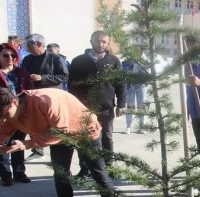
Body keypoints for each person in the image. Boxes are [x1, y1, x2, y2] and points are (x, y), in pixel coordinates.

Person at [0, 87, 126, 197]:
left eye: (4, 115)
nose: (4, 120)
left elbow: (61, 131)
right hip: (55, 137)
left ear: (14, 102)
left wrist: (27, 144)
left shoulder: (45, 100)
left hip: (84, 131)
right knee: (61, 176)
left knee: (98, 173)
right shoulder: (8, 114)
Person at [68, 30, 126, 178]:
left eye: (104, 42)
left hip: (105, 107)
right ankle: (85, 169)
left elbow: (120, 84)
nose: (100, 44)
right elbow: (72, 86)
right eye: (97, 41)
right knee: (84, 138)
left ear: (108, 43)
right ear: (91, 41)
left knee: (106, 137)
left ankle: (108, 167)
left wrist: (121, 103)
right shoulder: (78, 61)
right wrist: (72, 106)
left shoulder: (113, 61)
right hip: (83, 108)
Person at [0, 43, 34, 186]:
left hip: (19, 114)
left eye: (13, 55)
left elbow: (30, 92)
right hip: (1, 115)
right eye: (5, 55)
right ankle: (5, 175)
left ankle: (19, 172)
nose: (10, 58)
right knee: (2, 143)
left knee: (18, 143)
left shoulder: (22, 73)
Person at [21, 33, 69, 161]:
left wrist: (42, 78)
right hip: (33, 97)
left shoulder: (55, 58)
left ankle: (59, 153)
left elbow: (64, 76)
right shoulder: (27, 59)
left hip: (51, 99)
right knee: (34, 124)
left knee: (54, 126)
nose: (27, 48)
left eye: (29, 45)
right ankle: (37, 149)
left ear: (39, 44)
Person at [122, 57, 147, 134]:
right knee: (129, 107)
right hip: (130, 86)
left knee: (141, 107)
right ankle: (128, 126)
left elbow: (148, 73)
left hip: (141, 87)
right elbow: (123, 73)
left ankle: (142, 127)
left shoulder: (144, 61)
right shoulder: (125, 62)